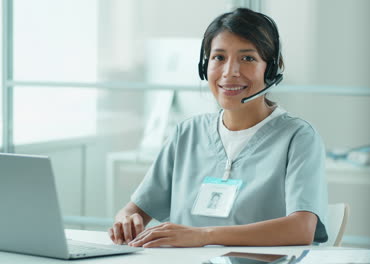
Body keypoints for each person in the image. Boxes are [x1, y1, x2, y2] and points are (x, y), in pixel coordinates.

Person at [108, 7, 328, 248]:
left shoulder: (298, 137)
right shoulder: (187, 133)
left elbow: (302, 228)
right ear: (205, 66)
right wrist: (126, 221)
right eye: (219, 58)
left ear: (271, 69)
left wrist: (203, 236)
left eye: (247, 58)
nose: (230, 72)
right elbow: (132, 210)